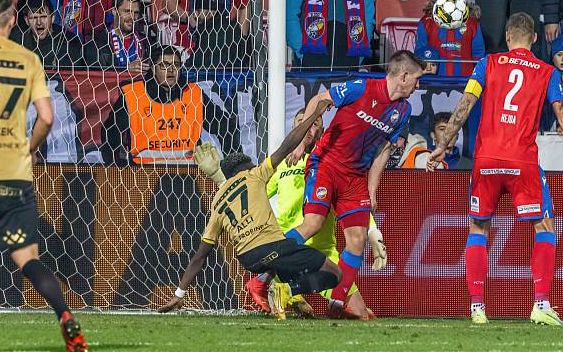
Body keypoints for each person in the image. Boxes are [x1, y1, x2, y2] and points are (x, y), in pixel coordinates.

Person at [427, 12, 563, 325]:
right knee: (544, 226)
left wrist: (443, 144)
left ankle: (477, 308)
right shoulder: (546, 71)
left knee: (478, 229)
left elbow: (463, 106)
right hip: (521, 160)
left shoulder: (487, 64)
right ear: (535, 39)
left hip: (486, 159)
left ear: (508, 37)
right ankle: (540, 303)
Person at [157, 100, 344, 320]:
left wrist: (180, 293)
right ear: (246, 167)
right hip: (273, 247)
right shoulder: (255, 175)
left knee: (288, 264)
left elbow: (200, 255)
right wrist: (314, 116)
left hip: (248, 260)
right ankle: (287, 292)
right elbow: (287, 145)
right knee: (334, 273)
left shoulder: (218, 202)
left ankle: (287, 293)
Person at [0, 0, 87, 352]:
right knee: (27, 258)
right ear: (12, 21)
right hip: (13, 172)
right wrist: (28, 148)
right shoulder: (27, 59)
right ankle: (65, 315)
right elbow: (47, 117)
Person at [283, 51, 425, 317]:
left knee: (358, 240)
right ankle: (266, 277)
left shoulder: (403, 112)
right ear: (403, 76)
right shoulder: (361, 87)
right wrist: (302, 142)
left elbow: (383, 150)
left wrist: (372, 189)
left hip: (356, 177)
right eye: (417, 79)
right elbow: (320, 99)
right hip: (326, 164)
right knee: (312, 224)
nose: (419, 86)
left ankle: (336, 304)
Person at [236, 108, 385, 320]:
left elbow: (350, 200)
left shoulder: (331, 162)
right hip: (289, 247)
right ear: (295, 128)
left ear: (323, 130)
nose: (308, 127)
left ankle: (287, 291)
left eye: (315, 123)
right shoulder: (280, 166)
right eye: (303, 122)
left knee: (362, 314)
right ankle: (277, 284)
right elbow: (252, 196)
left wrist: (371, 228)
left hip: (323, 250)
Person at [100, 45, 240, 165]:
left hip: (188, 175)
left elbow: (225, 127)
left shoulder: (193, 94)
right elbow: (110, 134)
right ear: (153, 69)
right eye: (164, 65)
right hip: (143, 176)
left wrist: (231, 166)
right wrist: (119, 169)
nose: (171, 70)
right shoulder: (133, 95)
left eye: (176, 65)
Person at [415, 0, 485, 77]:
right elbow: (419, 54)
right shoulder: (426, 21)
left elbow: (478, 55)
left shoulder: (472, 22)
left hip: (464, 83)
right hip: (434, 83)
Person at [10, 0, 82, 68]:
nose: (39, 22)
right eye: (34, 18)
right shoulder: (17, 40)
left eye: (43, 16)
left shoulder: (67, 41)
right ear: (26, 21)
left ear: (52, 18)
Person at [86, 0, 149, 74]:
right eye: (127, 11)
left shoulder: (146, 43)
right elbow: (95, 78)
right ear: (114, 11)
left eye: (136, 13)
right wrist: (125, 71)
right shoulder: (97, 44)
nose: (132, 17)